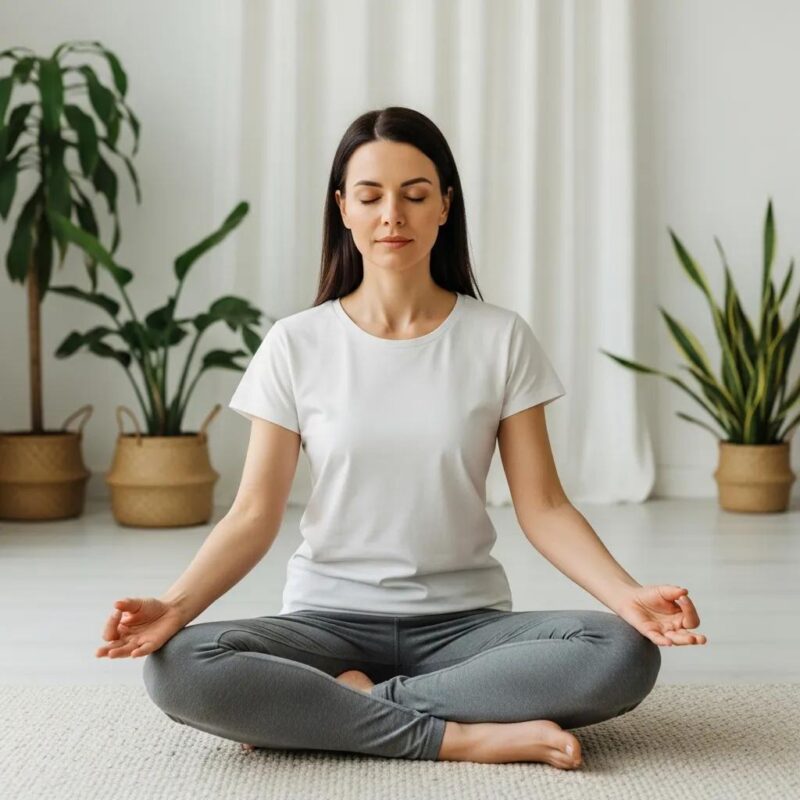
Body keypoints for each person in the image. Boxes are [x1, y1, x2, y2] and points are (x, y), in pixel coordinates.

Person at [95, 106, 707, 769]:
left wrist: (626, 596)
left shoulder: (499, 338)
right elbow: (252, 514)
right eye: (371, 196)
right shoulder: (295, 344)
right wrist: (174, 605)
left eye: (416, 195)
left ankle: (334, 710)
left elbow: (545, 507)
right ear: (343, 210)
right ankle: (459, 738)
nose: (394, 215)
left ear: (445, 206)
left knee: (620, 653)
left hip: (466, 626)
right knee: (179, 665)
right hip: (324, 621)